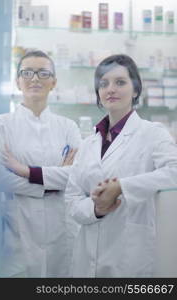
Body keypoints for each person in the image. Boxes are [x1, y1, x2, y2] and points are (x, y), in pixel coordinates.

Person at [65, 54, 177, 278]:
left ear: (135, 89)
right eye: (103, 84)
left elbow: (173, 172)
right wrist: (96, 209)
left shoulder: (152, 133)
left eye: (120, 82)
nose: (110, 89)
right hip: (86, 258)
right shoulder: (88, 143)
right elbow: (71, 199)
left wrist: (122, 187)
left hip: (128, 258)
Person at [0, 50, 81, 277]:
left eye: (43, 73)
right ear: (18, 81)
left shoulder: (68, 127)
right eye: (27, 72)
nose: (35, 78)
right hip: (18, 228)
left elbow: (76, 176)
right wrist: (52, 182)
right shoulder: (0, 126)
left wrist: (24, 171)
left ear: (53, 82)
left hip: (60, 228)